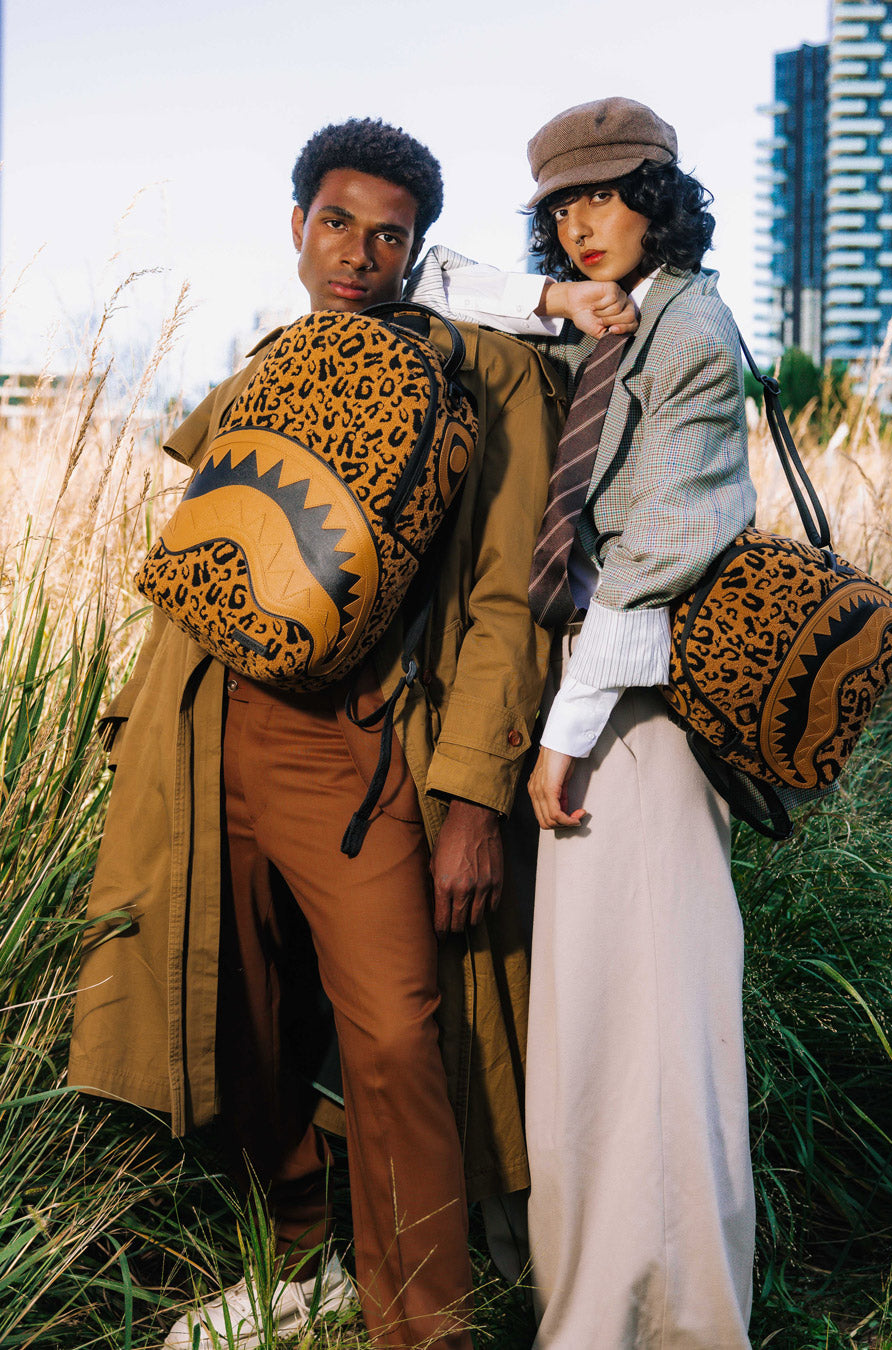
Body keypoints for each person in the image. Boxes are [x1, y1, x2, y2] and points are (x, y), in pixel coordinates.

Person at [67, 118, 566, 1350]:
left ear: (418, 251)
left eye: (388, 236)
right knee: (229, 1009)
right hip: (206, 729)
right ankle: (296, 1260)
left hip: (356, 749)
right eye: (336, 223)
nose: (357, 254)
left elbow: (507, 600)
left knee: (397, 1031)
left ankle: (425, 1325)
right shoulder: (278, 357)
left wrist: (470, 796)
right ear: (299, 226)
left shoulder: (483, 370)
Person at [410, 97, 759, 1348]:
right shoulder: (603, 325)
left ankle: (667, 1323)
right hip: (589, 699)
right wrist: (557, 300)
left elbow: (656, 556)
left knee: (653, 1024)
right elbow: (426, 279)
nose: (581, 223)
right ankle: (598, 1309)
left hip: (639, 715)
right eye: (563, 206)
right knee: (596, 1023)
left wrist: (562, 735)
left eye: (605, 197)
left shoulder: (692, 329)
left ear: (659, 199)